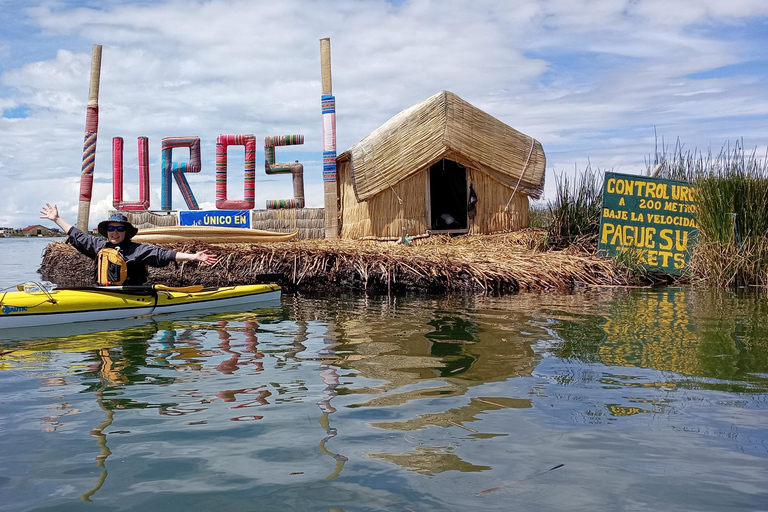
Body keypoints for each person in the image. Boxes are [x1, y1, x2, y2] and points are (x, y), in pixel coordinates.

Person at [40, 204, 218, 286]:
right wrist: (56, 219)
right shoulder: (100, 247)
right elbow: (77, 235)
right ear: (107, 231)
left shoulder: (138, 250)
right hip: (103, 292)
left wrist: (195, 256)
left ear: (125, 232)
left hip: (133, 295)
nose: (115, 232)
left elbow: (165, 255)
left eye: (119, 229)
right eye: (111, 228)